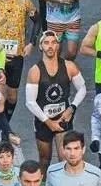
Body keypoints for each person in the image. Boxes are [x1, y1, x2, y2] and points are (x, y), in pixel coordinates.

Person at [25, 31, 87, 176]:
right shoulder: (35, 71)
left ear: (58, 45)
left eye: (53, 42)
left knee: (64, 158)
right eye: (46, 43)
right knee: (44, 159)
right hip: (43, 121)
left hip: (63, 118)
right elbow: (30, 102)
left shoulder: (69, 66)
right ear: (41, 47)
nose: (50, 46)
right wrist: (48, 122)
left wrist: (71, 108)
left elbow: (82, 89)